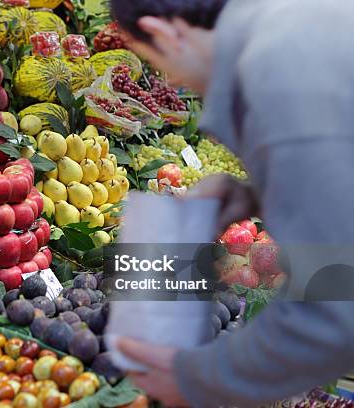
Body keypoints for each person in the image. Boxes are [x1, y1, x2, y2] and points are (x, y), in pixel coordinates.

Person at [110, 0, 354, 406]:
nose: (175, 80)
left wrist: (197, 378)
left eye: (160, 63)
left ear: (165, 33)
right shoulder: (298, 24)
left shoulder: (277, 70)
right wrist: (255, 192)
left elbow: (332, 306)